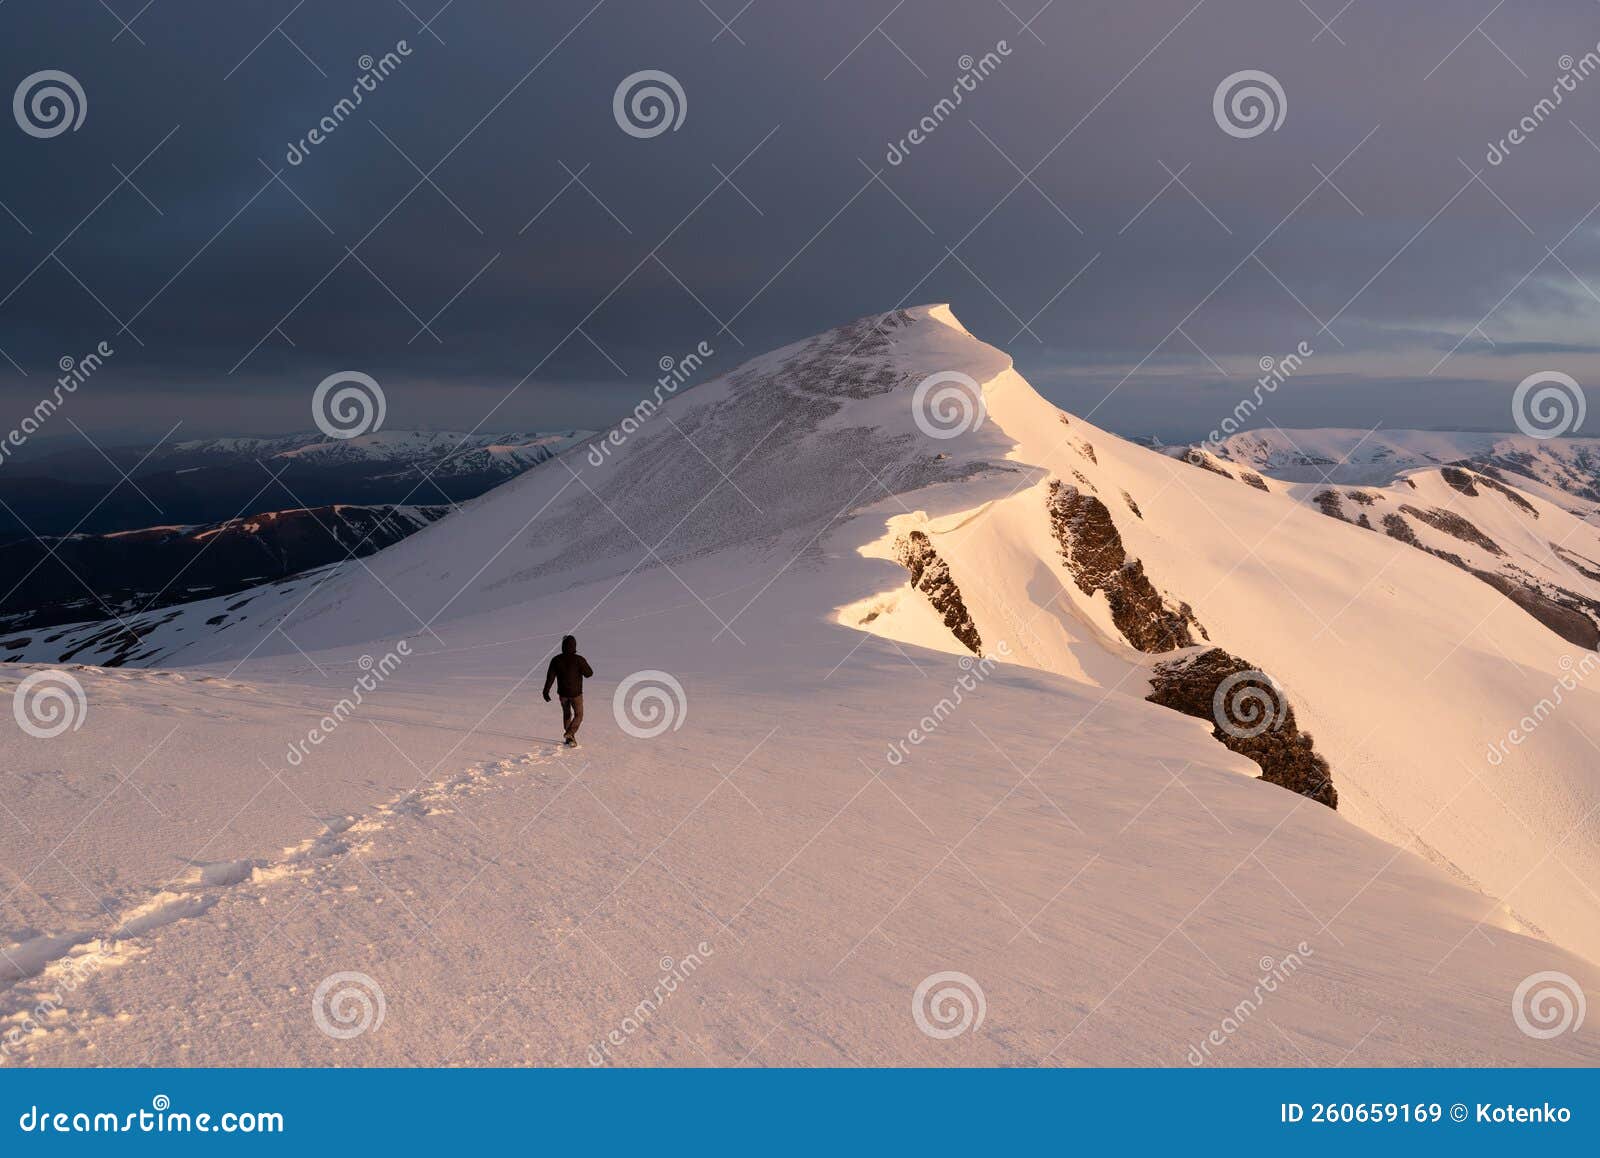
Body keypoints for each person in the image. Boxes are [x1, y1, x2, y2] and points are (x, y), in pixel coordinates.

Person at [543, 634, 594, 747]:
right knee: (579, 715)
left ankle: (569, 738)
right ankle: (570, 734)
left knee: (567, 714)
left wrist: (546, 691)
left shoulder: (556, 659)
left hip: (563, 694)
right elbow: (589, 674)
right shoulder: (579, 659)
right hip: (576, 694)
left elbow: (550, 677)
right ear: (574, 646)